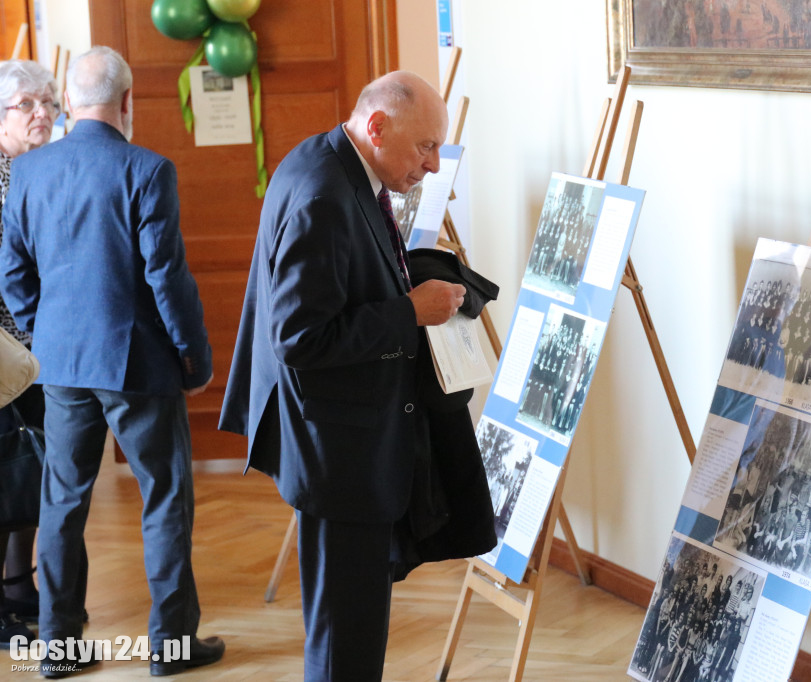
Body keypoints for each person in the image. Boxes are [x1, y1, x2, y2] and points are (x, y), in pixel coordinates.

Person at [219, 70, 468, 681]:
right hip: (340, 454)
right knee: (343, 642)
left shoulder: (328, 159)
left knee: (347, 631)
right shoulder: (323, 195)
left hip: (344, 441)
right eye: (425, 147)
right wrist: (409, 311)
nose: (434, 166)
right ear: (377, 126)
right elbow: (302, 339)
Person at [0, 46, 223, 678]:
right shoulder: (147, 169)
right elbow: (168, 281)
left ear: (68, 101)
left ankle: (59, 648)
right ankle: (171, 647)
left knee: (62, 504)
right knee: (165, 500)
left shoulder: (31, 173)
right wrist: (196, 359)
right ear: (130, 103)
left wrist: (48, 337)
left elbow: (13, 273)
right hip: (140, 368)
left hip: (62, 367)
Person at [0, 57, 58, 649]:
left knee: (29, 474)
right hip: (0, 355)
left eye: (49, 102)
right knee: (0, 476)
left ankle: (20, 587)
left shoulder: (40, 170)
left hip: (39, 349)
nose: (41, 113)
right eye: (26, 105)